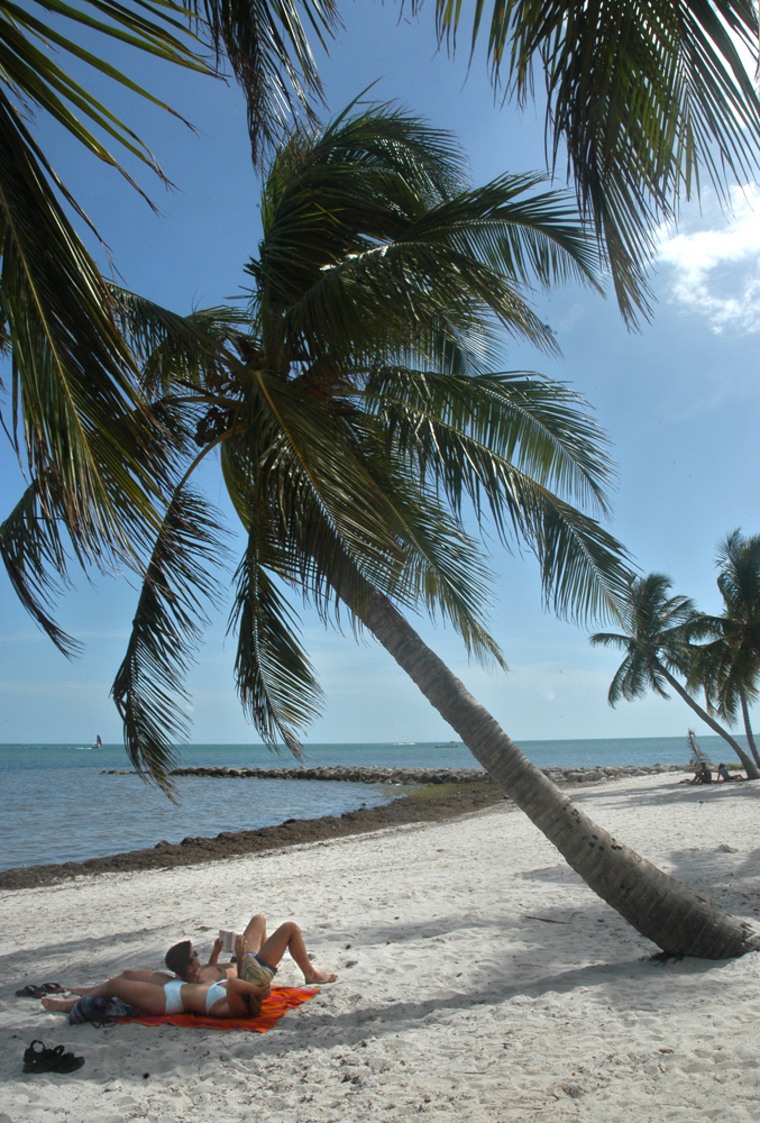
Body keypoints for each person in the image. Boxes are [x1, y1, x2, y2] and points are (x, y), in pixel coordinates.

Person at [41, 941, 270, 1020]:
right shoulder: (243, 996)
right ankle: (85, 991)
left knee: (115, 986)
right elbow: (239, 981)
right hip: (180, 986)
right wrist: (250, 971)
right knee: (129, 973)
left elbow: (236, 983)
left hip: (172, 999)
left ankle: (66, 1006)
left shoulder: (234, 1006)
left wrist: (245, 961)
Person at [165, 913, 337, 988]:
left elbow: (212, 968)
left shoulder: (192, 973)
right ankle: (310, 974)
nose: (197, 956)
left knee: (259, 919)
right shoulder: (204, 985)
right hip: (250, 968)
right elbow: (239, 982)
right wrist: (241, 956)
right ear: (189, 968)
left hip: (242, 960)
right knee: (290, 928)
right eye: (194, 955)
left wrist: (216, 952)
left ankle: (271, 958)